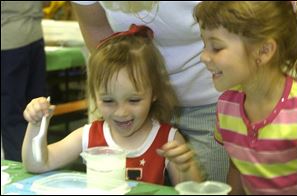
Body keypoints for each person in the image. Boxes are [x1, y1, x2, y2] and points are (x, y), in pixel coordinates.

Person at [22, 24, 203, 185]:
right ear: (95, 96)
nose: (121, 112)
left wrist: (187, 167)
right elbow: (38, 164)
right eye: (108, 101)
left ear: (154, 92)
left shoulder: (168, 140)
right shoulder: (88, 137)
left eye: (133, 100)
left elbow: (192, 191)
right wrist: (36, 125)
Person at [71, 1, 229, 182]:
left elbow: (244, 37)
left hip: (211, 100)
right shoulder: (129, 106)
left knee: (207, 185)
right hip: (139, 104)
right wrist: (130, 99)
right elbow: (97, 29)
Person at [195, 1, 297, 195]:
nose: (203, 56)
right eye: (204, 45)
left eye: (216, 47)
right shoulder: (226, 106)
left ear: (264, 51)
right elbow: (237, 169)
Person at [1, 2, 47, 161]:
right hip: (34, 36)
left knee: (12, 116)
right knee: (38, 111)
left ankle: (21, 170)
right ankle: (39, 162)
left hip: (8, 40)